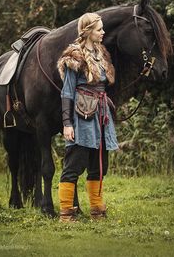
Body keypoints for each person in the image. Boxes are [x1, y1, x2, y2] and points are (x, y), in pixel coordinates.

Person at [57, 12, 119, 222]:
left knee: (100, 165)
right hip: (82, 117)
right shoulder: (74, 56)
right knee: (74, 166)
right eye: (99, 29)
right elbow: (67, 92)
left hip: (102, 115)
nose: (103, 32)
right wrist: (67, 123)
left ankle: (97, 210)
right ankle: (66, 213)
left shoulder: (102, 54)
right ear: (88, 31)